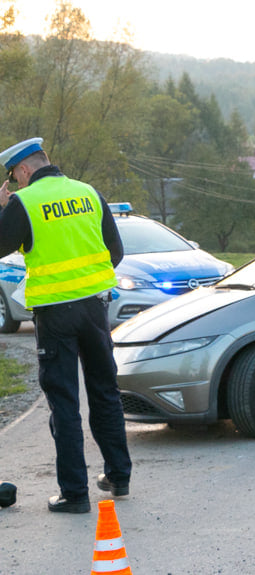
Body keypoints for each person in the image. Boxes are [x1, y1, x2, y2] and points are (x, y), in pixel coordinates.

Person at [0, 137, 132, 514]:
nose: (18, 183)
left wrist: (3, 208)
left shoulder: (25, 202)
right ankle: (118, 477)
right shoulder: (88, 193)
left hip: (54, 316)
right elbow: (115, 252)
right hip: (94, 310)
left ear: (23, 170)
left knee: (64, 402)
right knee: (105, 392)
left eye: (16, 177)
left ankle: (74, 494)